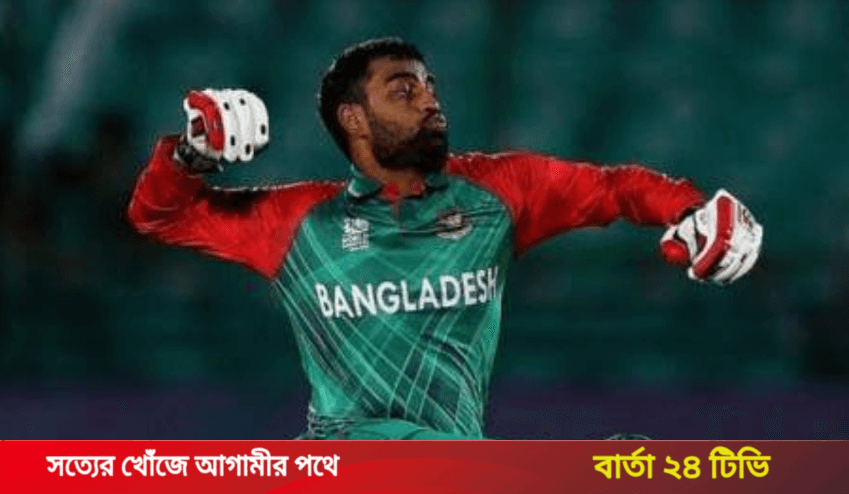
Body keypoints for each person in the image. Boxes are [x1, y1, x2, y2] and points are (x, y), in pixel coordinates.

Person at [127, 38, 763, 440]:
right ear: (353, 118)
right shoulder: (300, 222)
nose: (430, 101)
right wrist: (191, 154)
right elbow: (159, 216)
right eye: (404, 91)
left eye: (431, 87)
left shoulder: (498, 193)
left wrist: (694, 210)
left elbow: (615, 188)